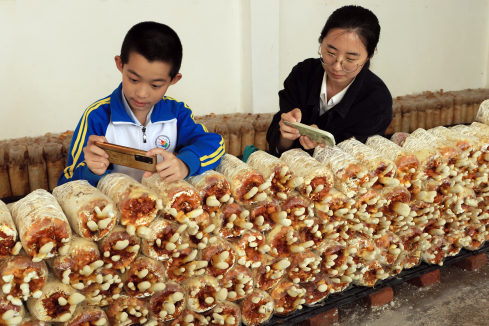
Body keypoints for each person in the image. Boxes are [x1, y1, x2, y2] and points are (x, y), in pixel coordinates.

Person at [58, 22, 224, 186]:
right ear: (120, 64)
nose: (142, 93)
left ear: (173, 80)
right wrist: (91, 171)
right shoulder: (97, 116)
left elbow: (214, 144)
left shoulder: (177, 113)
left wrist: (186, 164)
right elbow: (66, 182)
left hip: (168, 209)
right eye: (134, 80)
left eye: (156, 85)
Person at [267, 5, 392, 155]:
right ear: (321, 41)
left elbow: (362, 164)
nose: (337, 66)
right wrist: (286, 134)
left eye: (350, 59)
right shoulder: (303, 74)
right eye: (330, 53)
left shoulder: (376, 102)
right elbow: (277, 148)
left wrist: (324, 146)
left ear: (370, 55)